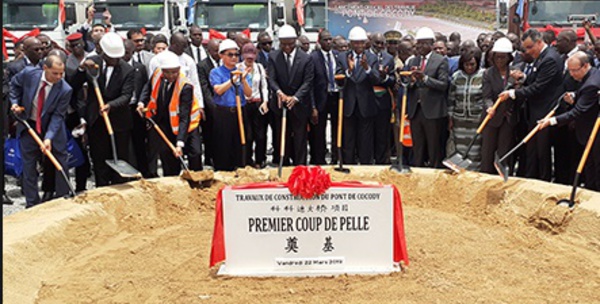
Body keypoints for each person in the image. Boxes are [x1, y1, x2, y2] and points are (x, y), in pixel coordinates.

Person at [69, 32, 134, 187]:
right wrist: (81, 69)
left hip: (119, 123)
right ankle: (102, 189)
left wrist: (110, 105)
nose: (115, 60)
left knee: (119, 157)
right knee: (99, 159)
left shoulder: (127, 70)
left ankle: (119, 189)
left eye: (117, 57)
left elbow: (126, 95)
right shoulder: (92, 63)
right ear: (103, 53)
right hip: (97, 122)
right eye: (111, 57)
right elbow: (74, 85)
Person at [498, 29, 563, 182]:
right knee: (532, 150)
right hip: (534, 111)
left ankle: (544, 181)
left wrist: (513, 93)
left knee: (542, 151)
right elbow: (534, 78)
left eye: (529, 47)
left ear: (539, 42)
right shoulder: (541, 57)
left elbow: (538, 87)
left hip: (545, 111)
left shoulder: (550, 59)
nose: (527, 52)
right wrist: (524, 77)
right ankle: (530, 179)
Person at [9, 55, 72, 208]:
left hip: (52, 129)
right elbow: (13, 85)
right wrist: (15, 103)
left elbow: (58, 116)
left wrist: (49, 138)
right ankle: (32, 204)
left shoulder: (65, 89)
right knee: (29, 166)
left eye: (61, 73)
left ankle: (62, 199)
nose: (58, 77)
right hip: (28, 125)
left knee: (60, 162)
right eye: (54, 73)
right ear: (45, 68)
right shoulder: (29, 74)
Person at [538, 52, 600, 191]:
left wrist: (552, 121)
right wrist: (575, 95)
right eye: (569, 70)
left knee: (595, 167)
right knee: (589, 166)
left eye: (574, 70)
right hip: (587, 130)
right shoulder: (593, 74)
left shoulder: (592, 84)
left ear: (585, 66)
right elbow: (582, 93)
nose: (571, 74)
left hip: (594, 132)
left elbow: (577, 111)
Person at [138, 51, 202, 176]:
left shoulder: (185, 86)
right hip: (165, 123)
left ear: (179, 69)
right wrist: (141, 102)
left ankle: (196, 182)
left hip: (188, 125)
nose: (171, 75)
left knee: (195, 154)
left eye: (174, 72)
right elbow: (148, 87)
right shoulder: (157, 74)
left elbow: (184, 117)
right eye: (167, 72)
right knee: (168, 158)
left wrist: (179, 143)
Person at [268, 25, 314, 166]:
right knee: (282, 138)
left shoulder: (306, 58)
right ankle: (284, 165)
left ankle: (300, 167)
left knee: (300, 138)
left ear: (296, 41)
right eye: (283, 44)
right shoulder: (274, 57)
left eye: (290, 43)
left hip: (299, 105)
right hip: (281, 104)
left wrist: (295, 98)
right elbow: (271, 78)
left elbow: (308, 81)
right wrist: (279, 93)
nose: (287, 47)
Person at [404, 27, 449, 168]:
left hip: (432, 111)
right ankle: (418, 172)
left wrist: (425, 78)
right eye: (418, 43)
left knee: (433, 147)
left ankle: (434, 174)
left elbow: (443, 84)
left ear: (431, 44)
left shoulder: (440, 60)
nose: (420, 46)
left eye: (424, 43)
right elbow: (408, 85)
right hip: (416, 111)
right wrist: (410, 80)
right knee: (417, 147)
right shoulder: (413, 61)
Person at [335, 26, 380, 164]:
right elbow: (337, 78)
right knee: (348, 139)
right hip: (349, 105)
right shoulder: (342, 57)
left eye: (361, 42)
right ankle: (348, 166)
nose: (359, 45)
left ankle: (365, 166)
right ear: (350, 43)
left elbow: (377, 79)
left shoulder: (372, 58)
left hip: (366, 105)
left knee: (365, 140)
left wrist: (367, 69)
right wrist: (349, 70)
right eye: (356, 42)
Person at [209, 39, 252, 171]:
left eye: (236, 54)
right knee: (224, 145)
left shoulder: (241, 71)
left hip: (240, 110)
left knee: (241, 143)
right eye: (230, 54)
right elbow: (218, 90)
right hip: (223, 112)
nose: (234, 57)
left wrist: (243, 80)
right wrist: (232, 80)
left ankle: (240, 166)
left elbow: (249, 93)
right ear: (222, 56)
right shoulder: (216, 72)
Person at [480, 38, 519, 175]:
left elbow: (520, 92)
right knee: (487, 151)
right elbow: (486, 96)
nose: (500, 61)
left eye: (503, 57)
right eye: (497, 57)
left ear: (509, 58)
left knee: (505, 151)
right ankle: (486, 177)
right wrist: (489, 107)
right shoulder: (488, 74)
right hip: (492, 117)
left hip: (508, 118)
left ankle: (503, 178)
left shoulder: (514, 73)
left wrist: (518, 83)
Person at [447, 49, 484, 171]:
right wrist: (450, 117)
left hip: (476, 120)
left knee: (474, 150)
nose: (469, 67)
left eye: (472, 64)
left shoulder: (483, 75)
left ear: (477, 63)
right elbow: (451, 98)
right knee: (460, 150)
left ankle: (474, 175)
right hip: (459, 120)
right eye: (466, 64)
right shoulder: (456, 76)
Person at [310, 29, 338, 165]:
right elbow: (309, 83)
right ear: (319, 41)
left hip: (336, 97)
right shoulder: (313, 57)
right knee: (319, 131)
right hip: (321, 98)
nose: (328, 42)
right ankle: (319, 160)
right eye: (325, 39)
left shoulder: (338, 56)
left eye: (329, 39)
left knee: (336, 128)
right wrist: (313, 106)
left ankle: (336, 157)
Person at [239, 43, 269, 168]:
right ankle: (247, 160)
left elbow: (264, 86)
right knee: (248, 135)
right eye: (247, 57)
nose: (250, 60)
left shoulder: (259, 68)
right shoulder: (238, 68)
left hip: (257, 103)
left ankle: (260, 159)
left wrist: (265, 101)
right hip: (245, 104)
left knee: (260, 135)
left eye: (252, 57)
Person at [369, 32, 396, 164]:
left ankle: (381, 161)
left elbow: (392, 80)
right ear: (371, 42)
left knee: (382, 134)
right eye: (377, 43)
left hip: (383, 102)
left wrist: (384, 77)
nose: (379, 46)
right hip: (366, 100)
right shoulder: (365, 56)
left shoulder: (388, 58)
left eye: (382, 44)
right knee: (367, 134)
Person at [197, 39, 220, 168]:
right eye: (216, 51)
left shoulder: (224, 63)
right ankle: (209, 158)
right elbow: (204, 88)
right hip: (210, 106)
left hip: (224, 106)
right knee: (209, 134)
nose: (218, 53)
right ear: (209, 51)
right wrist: (213, 106)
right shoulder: (202, 66)